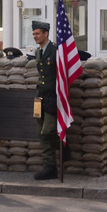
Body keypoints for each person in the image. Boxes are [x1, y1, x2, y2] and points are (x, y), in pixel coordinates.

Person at [31, 20, 65, 180]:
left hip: (54, 96)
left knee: (48, 130)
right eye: (33, 33)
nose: (35, 36)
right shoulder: (38, 52)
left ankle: (64, 147)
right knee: (40, 131)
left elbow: (64, 74)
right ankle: (50, 167)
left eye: (37, 33)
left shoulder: (56, 50)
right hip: (41, 96)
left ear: (46, 33)